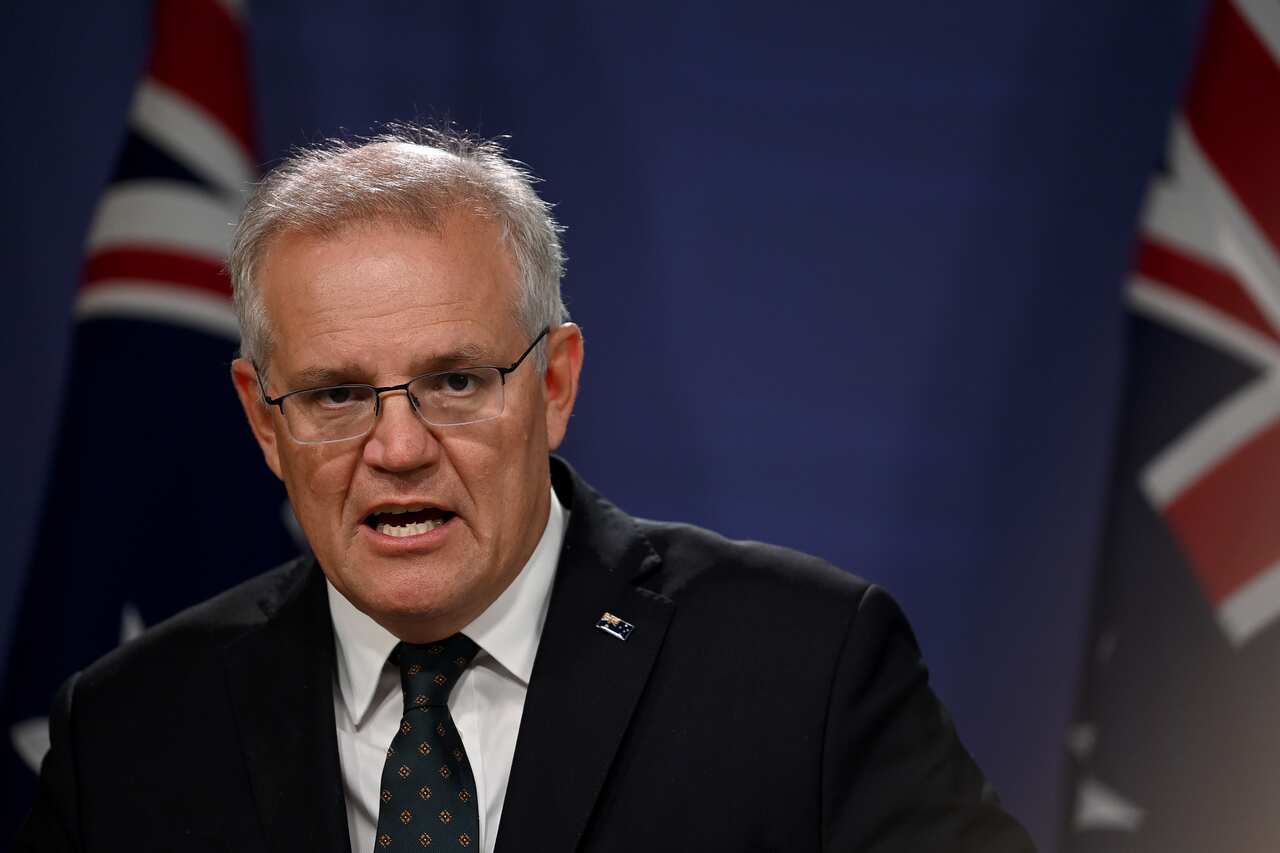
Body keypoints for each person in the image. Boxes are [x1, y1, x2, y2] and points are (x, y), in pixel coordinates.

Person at [17, 126, 1035, 853]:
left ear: (553, 385)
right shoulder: (131, 731)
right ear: (262, 420)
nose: (399, 446)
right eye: (335, 394)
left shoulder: (803, 672)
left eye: (455, 381)